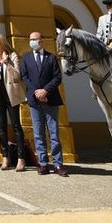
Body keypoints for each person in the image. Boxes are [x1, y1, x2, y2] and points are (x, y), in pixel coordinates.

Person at [20, 31, 67, 176]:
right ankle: (43, 163)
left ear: (42, 41)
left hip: (50, 100)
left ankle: (58, 165)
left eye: (35, 39)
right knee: (38, 133)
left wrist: (45, 90)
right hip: (35, 101)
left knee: (54, 133)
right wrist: (36, 92)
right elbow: (24, 77)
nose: (32, 41)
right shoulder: (26, 58)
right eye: (31, 39)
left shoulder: (51, 57)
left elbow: (57, 77)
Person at [0, 33, 27, 172]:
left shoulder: (12, 55)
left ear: (0, 44)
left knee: (16, 126)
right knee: (2, 128)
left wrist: (7, 63)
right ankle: (5, 157)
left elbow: (17, 75)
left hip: (12, 95)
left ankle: (21, 158)